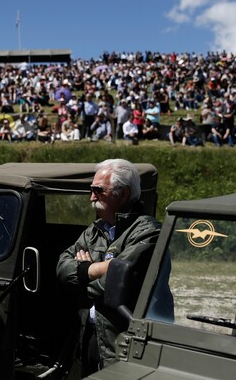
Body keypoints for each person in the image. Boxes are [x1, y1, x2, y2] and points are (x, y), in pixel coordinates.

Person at [56, 159, 162, 376]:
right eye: (91, 190)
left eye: (98, 190)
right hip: (90, 336)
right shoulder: (94, 231)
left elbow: (117, 282)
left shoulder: (149, 232)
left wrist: (82, 279)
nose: (91, 197)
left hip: (125, 342)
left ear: (123, 194)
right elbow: (62, 267)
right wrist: (94, 269)